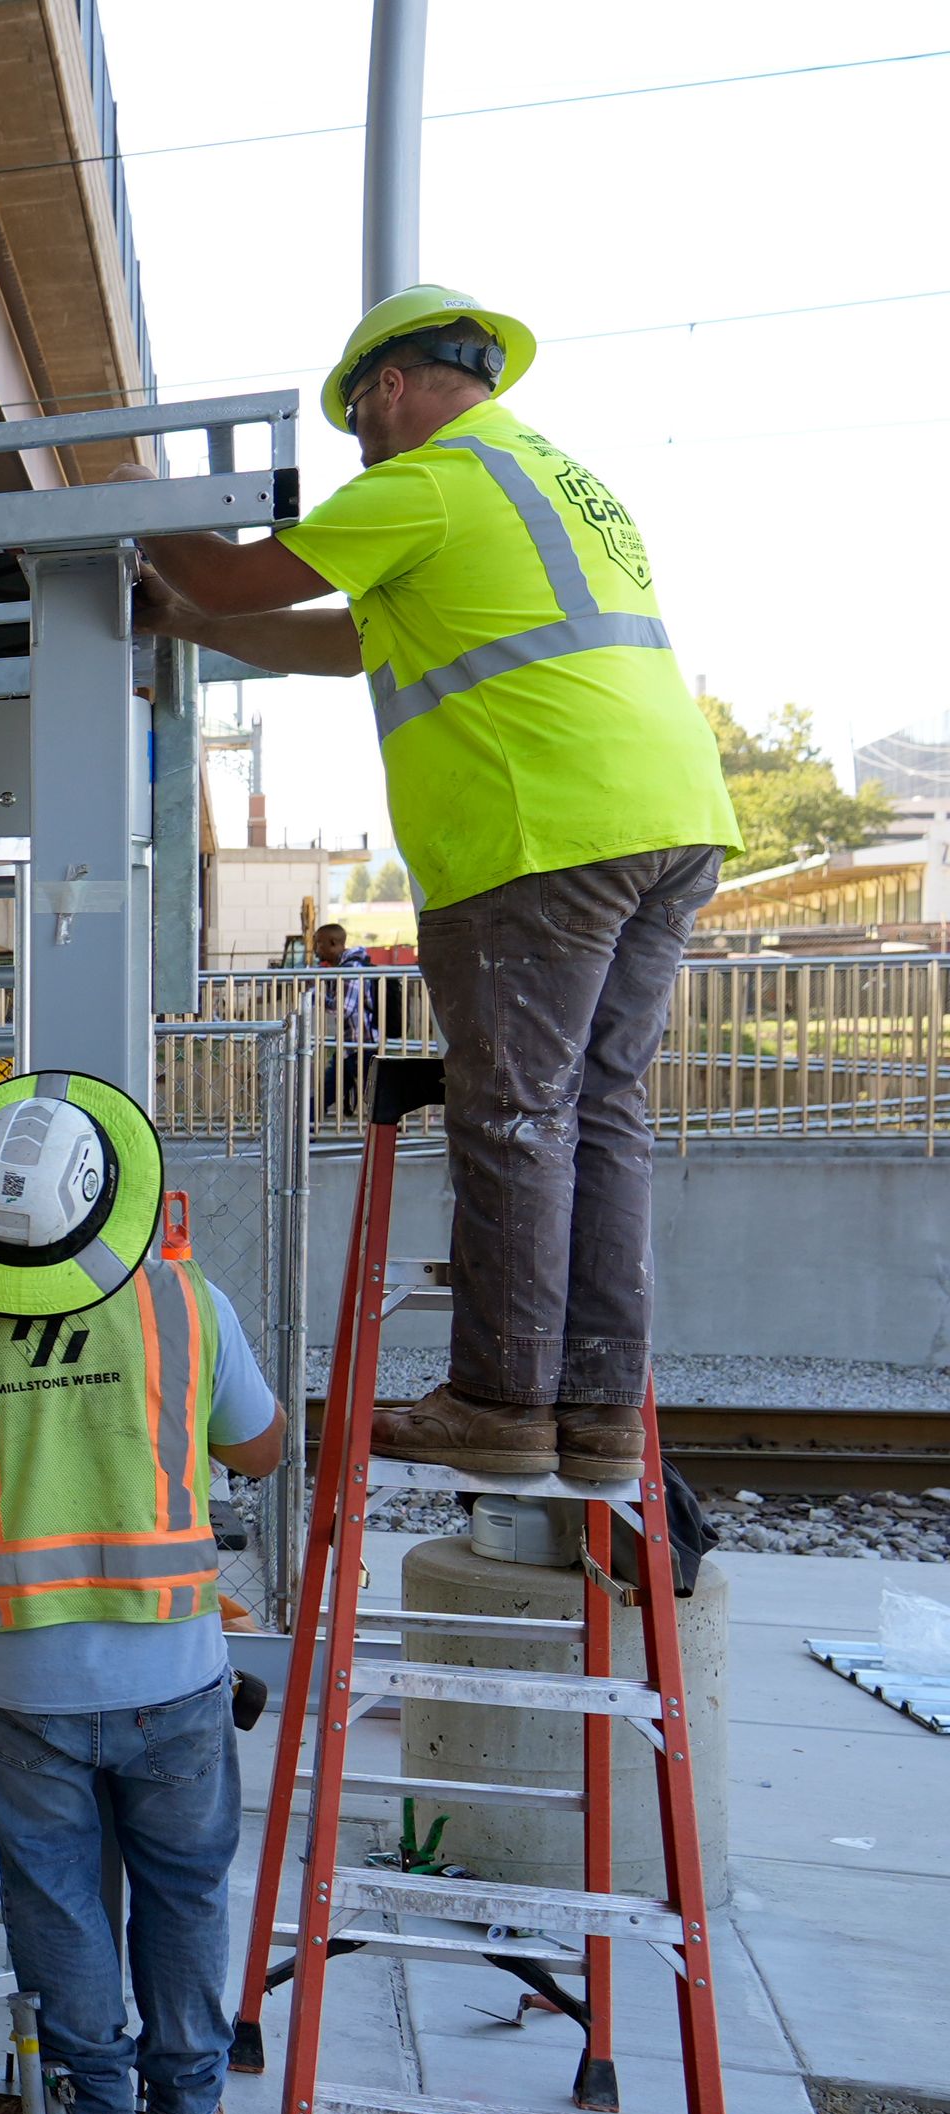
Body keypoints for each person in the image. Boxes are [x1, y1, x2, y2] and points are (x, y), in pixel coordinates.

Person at [135, 286, 736, 1488]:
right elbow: (343, 638)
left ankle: (503, 1403)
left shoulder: (427, 478)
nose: (362, 446)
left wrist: (127, 510)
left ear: (391, 387)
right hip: (667, 822)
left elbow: (245, 573)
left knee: (515, 1112)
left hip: (539, 831)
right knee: (604, 1114)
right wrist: (191, 623)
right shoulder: (554, 484)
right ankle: (600, 1410)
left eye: (360, 418)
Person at [0, 1076, 285, 2114]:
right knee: (184, 1887)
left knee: (55, 1896)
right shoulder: (186, 1305)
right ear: (109, 1199)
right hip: (176, 1664)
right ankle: (185, 2111)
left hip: (18, 1674)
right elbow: (264, 1450)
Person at [296, 922, 376, 1121]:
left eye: (319, 944)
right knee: (327, 1091)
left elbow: (343, 1008)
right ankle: (305, 1132)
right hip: (349, 1046)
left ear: (333, 943)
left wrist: (313, 994)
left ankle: (393, 1135)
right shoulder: (341, 968)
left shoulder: (352, 969)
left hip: (361, 1046)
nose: (316, 950)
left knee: (377, 1097)